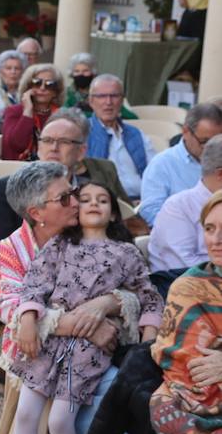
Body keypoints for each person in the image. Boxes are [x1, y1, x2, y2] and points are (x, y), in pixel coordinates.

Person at [0, 163, 159, 434]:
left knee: (92, 406)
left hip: (89, 355)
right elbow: (16, 299)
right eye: (69, 197)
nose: (77, 200)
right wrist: (45, 318)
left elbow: (144, 297)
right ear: (37, 212)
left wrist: (113, 308)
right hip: (41, 350)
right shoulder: (29, 246)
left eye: (78, 194)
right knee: (29, 414)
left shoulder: (122, 252)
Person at [0, 108, 136, 269]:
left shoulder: (94, 191)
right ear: (38, 147)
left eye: (64, 142)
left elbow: (122, 240)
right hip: (23, 280)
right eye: (48, 140)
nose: (54, 148)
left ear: (81, 152)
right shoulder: (11, 188)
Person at [149, 191, 222, 434]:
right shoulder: (188, 287)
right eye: (209, 228)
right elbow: (184, 364)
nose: (216, 239)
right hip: (198, 401)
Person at [149, 135, 222, 288]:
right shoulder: (177, 208)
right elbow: (188, 268)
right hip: (186, 291)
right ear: (220, 175)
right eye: (209, 228)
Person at [139, 102, 222, 224]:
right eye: (204, 141)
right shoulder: (162, 164)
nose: (211, 147)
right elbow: (151, 211)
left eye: (218, 141)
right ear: (185, 131)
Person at [84, 73, 153, 199]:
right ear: (91, 101)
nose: (108, 102)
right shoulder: (82, 133)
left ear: (121, 100)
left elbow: (155, 171)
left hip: (142, 201)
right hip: (107, 203)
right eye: (101, 96)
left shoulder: (137, 134)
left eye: (114, 96)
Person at [1, 63, 63, 161]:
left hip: (53, 168)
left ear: (56, 91)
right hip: (18, 169)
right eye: (37, 83)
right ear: (28, 87)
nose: (42, 88)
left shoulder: (61, 116)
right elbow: (18, 145)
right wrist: (27, 111)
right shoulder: (14, 111)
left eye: (49, 84)